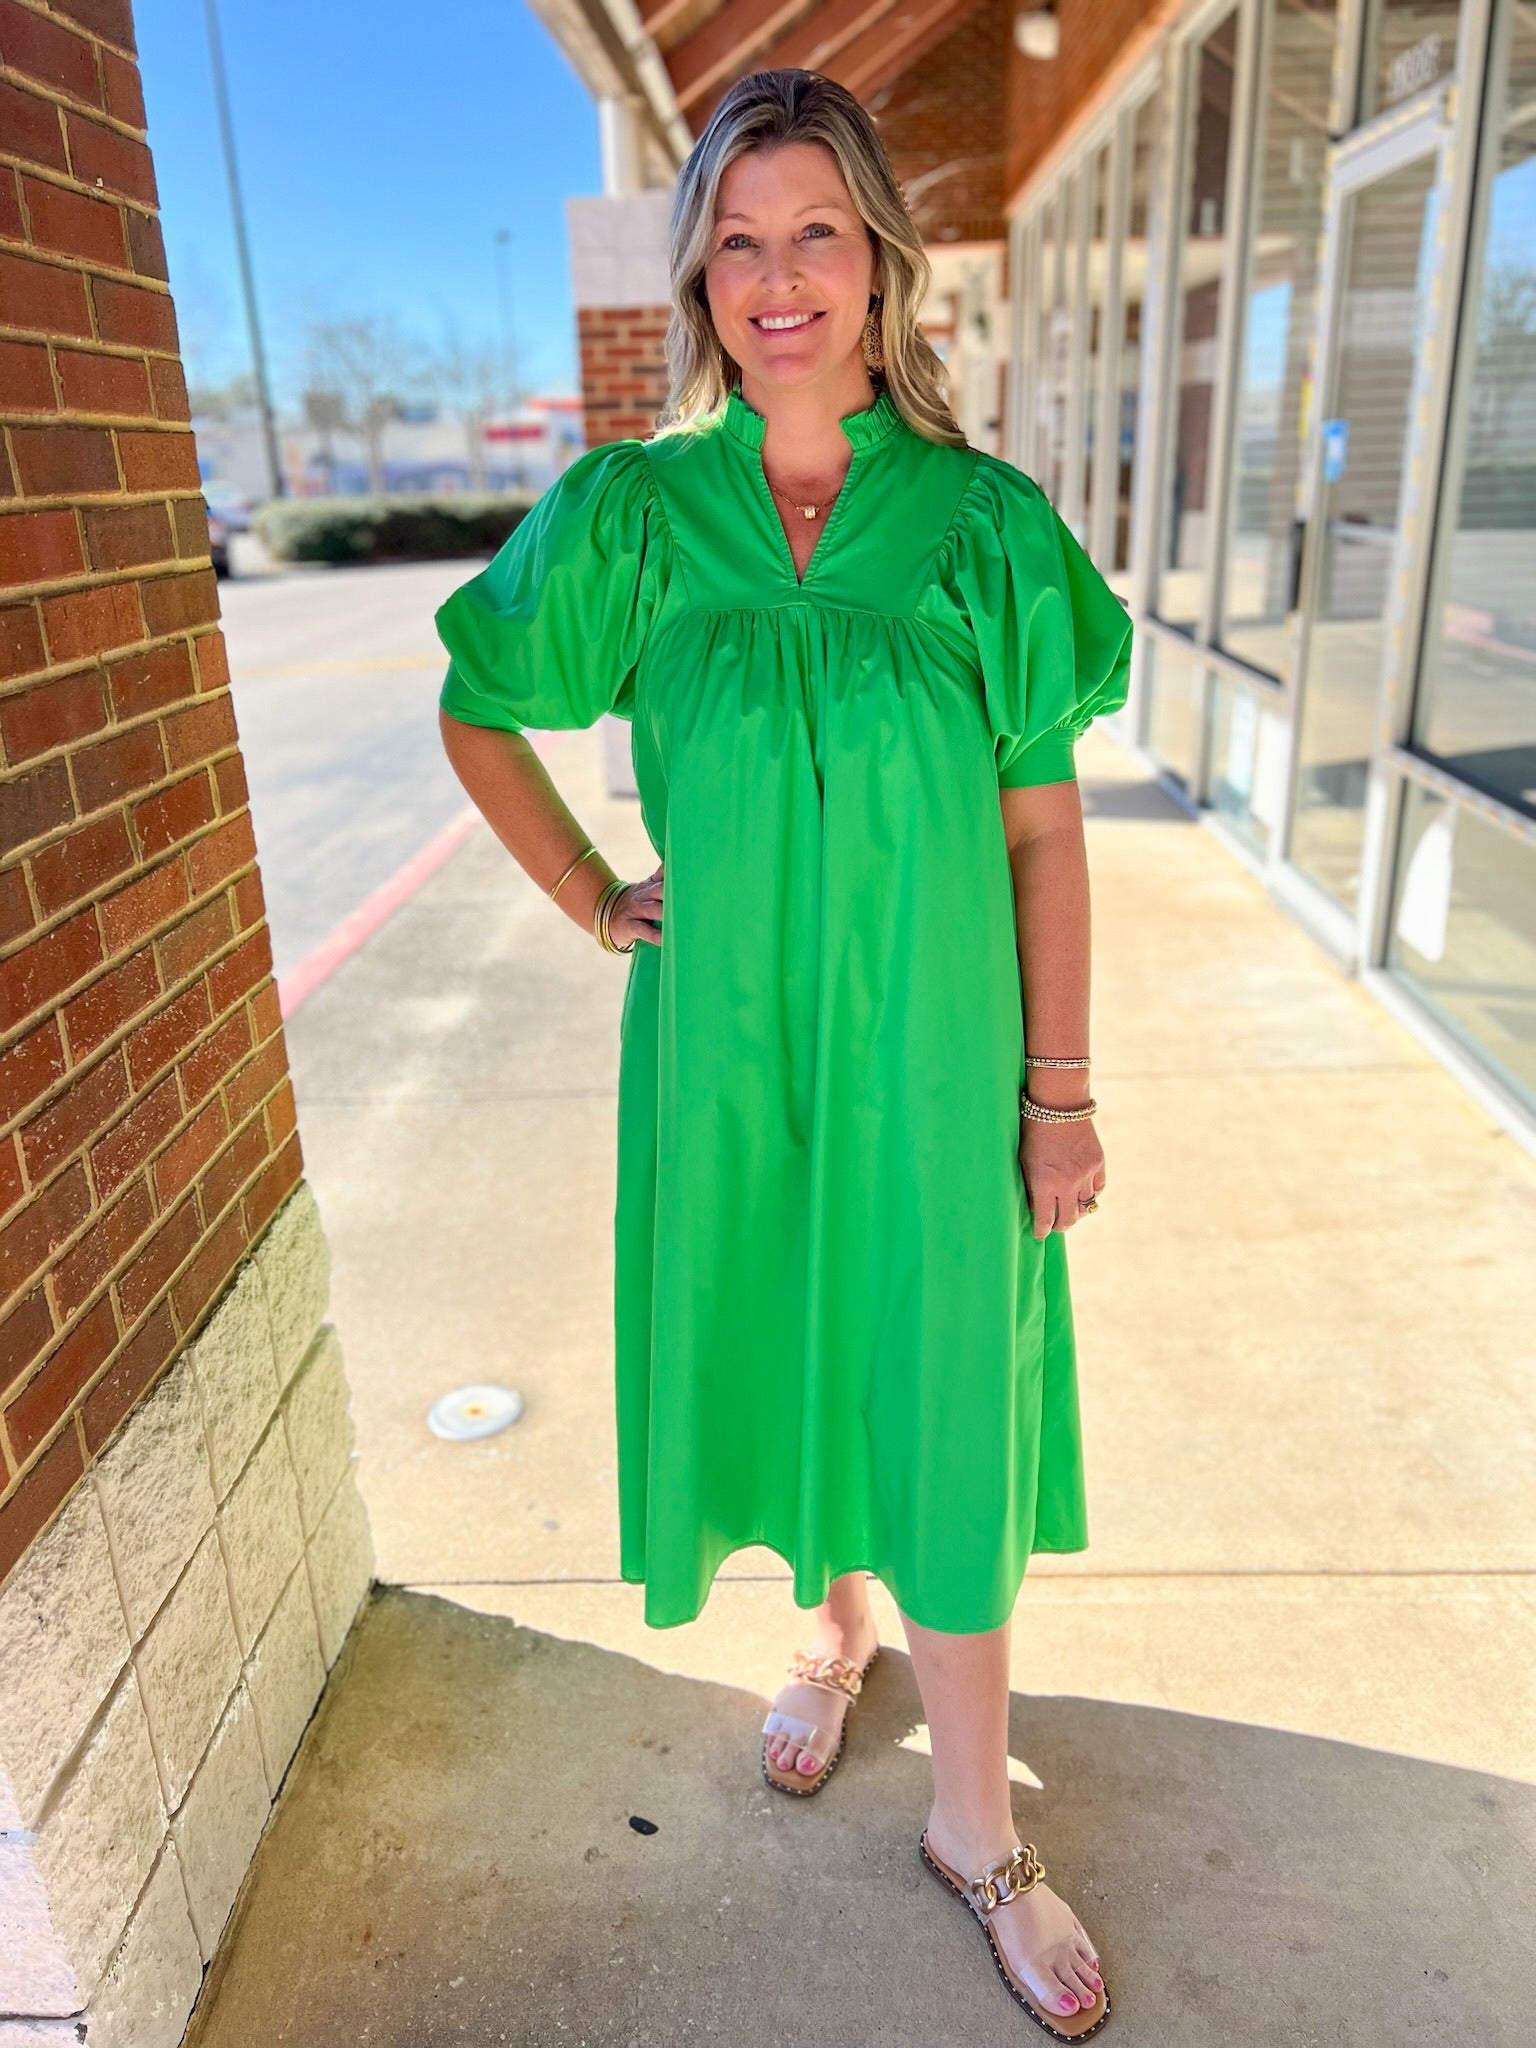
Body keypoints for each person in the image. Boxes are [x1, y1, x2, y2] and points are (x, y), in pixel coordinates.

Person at [436, 67, 1129, 2041]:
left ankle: (978, 1826)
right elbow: (483, 705)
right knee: (778, 1339)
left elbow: (1044, 832)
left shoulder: (983, 529)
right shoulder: (639, 522)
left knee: (941, 1395)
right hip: (726, 1063)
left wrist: (1059, 1093)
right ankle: (830, 1636)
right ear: (699, 279)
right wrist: (593, 891)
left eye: (816, 228)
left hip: (938, 1069)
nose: (779, 275)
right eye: (737, 240)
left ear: (883, 257)